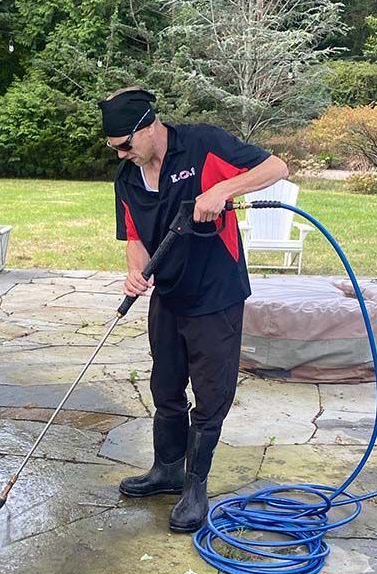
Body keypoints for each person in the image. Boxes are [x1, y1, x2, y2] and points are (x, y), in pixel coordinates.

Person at [99, 87, 289, 533]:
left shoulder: (202, 145)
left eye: (127, 144)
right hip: (169, 294)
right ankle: (167, 469)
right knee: (165, 386)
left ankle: (195, 486)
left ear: (150, 125)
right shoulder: (127, 179)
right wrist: (135, 273)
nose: (123, 154)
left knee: (210, 395)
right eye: (115, 149)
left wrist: (222, 189)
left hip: (215, 295)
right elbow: (134, 236)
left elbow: (275, 167)